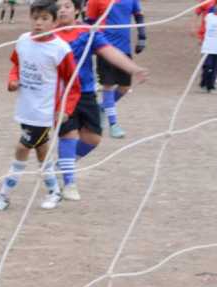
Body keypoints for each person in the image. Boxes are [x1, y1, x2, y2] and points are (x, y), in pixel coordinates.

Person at [0, 0, 80, 212]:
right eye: (35, 18)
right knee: (41, 152)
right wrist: (12, 81)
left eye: (45, 19)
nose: (39, 23)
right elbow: (16, 65)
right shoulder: (22, 41)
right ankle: (54, 191)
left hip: (45, 112)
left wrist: (66, 109)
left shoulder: (60, 49)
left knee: (22, 148)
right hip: (25, 108)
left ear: (55, 22)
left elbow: (73, 84)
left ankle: (4, 195)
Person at [53, 0, 149, 200]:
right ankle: (69, 183)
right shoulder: (48, 35)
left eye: (67, 6)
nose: (62, 10)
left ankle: (63, 164)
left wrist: (133, 68)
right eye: (58, 6)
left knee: (92, 138)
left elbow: (109, 51)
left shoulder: (87, 32)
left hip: (85, 92)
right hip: (59, 95)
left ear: (77, 10)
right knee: (69, 135)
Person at [86, 0, 146, 139]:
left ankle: (102, 108)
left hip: (124, 48)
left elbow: (139, 15)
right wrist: (90, 45)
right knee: (108, 85)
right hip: (105, 48)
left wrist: (142, 37)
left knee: (124, 87)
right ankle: (113, 124)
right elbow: (89, 23)